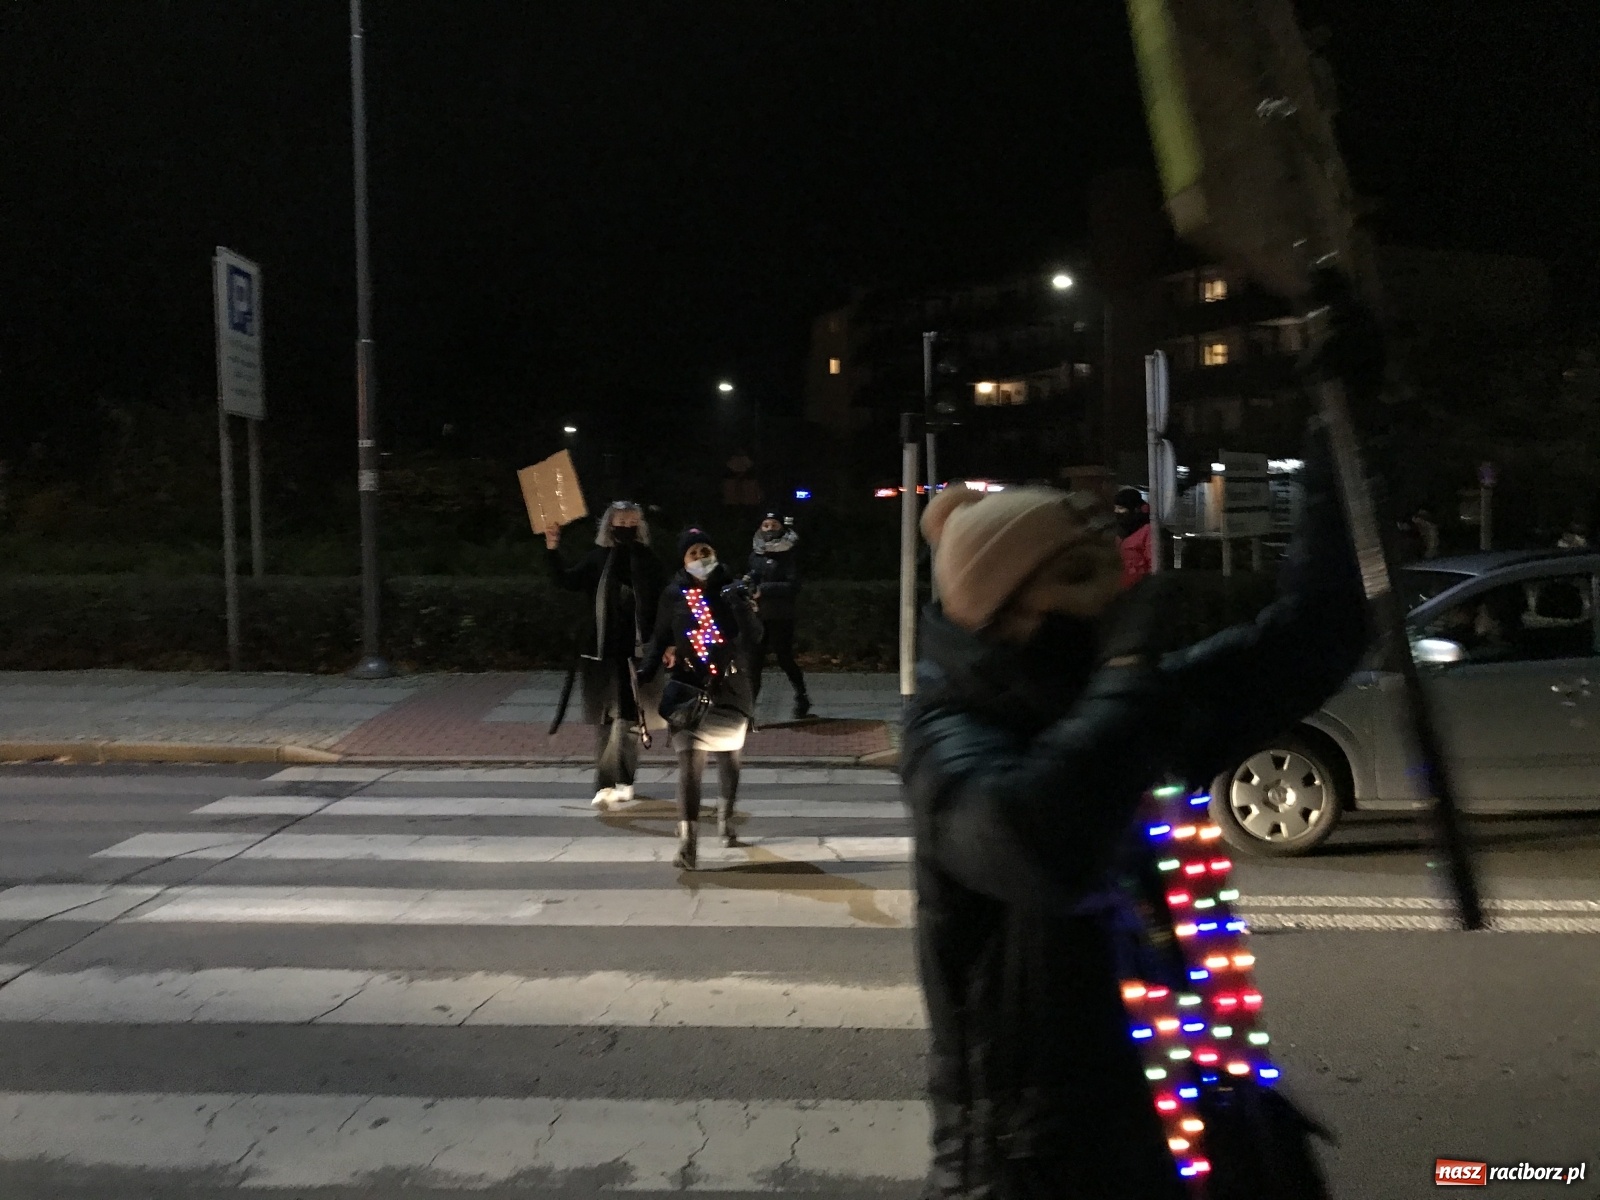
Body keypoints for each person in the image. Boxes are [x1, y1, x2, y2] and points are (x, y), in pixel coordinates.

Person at [901, 418, 1367, 1197]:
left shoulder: (1133, 705)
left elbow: (1316, 635)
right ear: (1007, 610)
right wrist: (1124, 671)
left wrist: (1339, 434)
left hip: (1188, 1140)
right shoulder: (949, 739)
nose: (1116, 593)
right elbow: (1038, 842)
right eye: (1082, 576)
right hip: (1038, 1172)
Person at [640, 527, 763, 869]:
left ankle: (726, 820)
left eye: (705, 550)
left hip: (730, 686)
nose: (700, 558)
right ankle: (688, 844)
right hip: (688, 686)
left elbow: (754, 637)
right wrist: (645, 673)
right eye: (692, 553)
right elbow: (660, 636)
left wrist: (741, 604)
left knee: (730, 759)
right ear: (682, 559)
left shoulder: (731, 587)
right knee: (689, 766)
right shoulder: (675, 593)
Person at [544, 501, 664, 810]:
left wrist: (667, 644)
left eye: (632, 521)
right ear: (609, 524)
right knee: (605, 721)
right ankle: (606, 783)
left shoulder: (647, 560)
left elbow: (664, 602)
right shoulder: (598, 559)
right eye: (620, 520)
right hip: (600, 653)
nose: (626, 526)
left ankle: (625, 780)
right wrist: (552, 548)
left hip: (637, 653)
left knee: (631, 720)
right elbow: (566, 580)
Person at [747, 512, 811, 720]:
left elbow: (793, 585)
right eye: (765, 525)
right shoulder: (756, 552)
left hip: (781, 616)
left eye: (773, 525)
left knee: (784, 658)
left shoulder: (789, 553)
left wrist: (764, 589)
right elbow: (752, 575)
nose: (769, 528)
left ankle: (801, 696)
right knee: (754, 662)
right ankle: (749, 708)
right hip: (758, 616)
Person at [1112, 486, 1152, 588]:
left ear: (1135, 509)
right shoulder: (1119, 532)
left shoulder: (1147, 531)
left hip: (1140, 590)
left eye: (1121, 508)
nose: (1117, 512)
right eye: (1115, 508)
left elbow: (1153, 563)